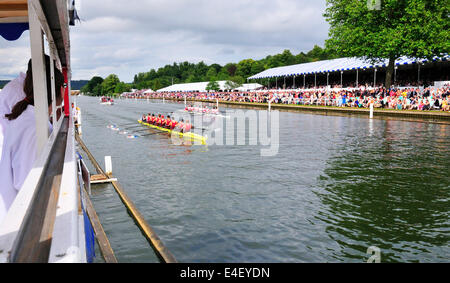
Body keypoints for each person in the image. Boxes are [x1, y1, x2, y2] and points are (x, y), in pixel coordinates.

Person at [0, 55, 64, 224]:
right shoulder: (35, 128)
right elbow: (27, 186)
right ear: (59, 91)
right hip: (21, 225)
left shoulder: (26, 118)